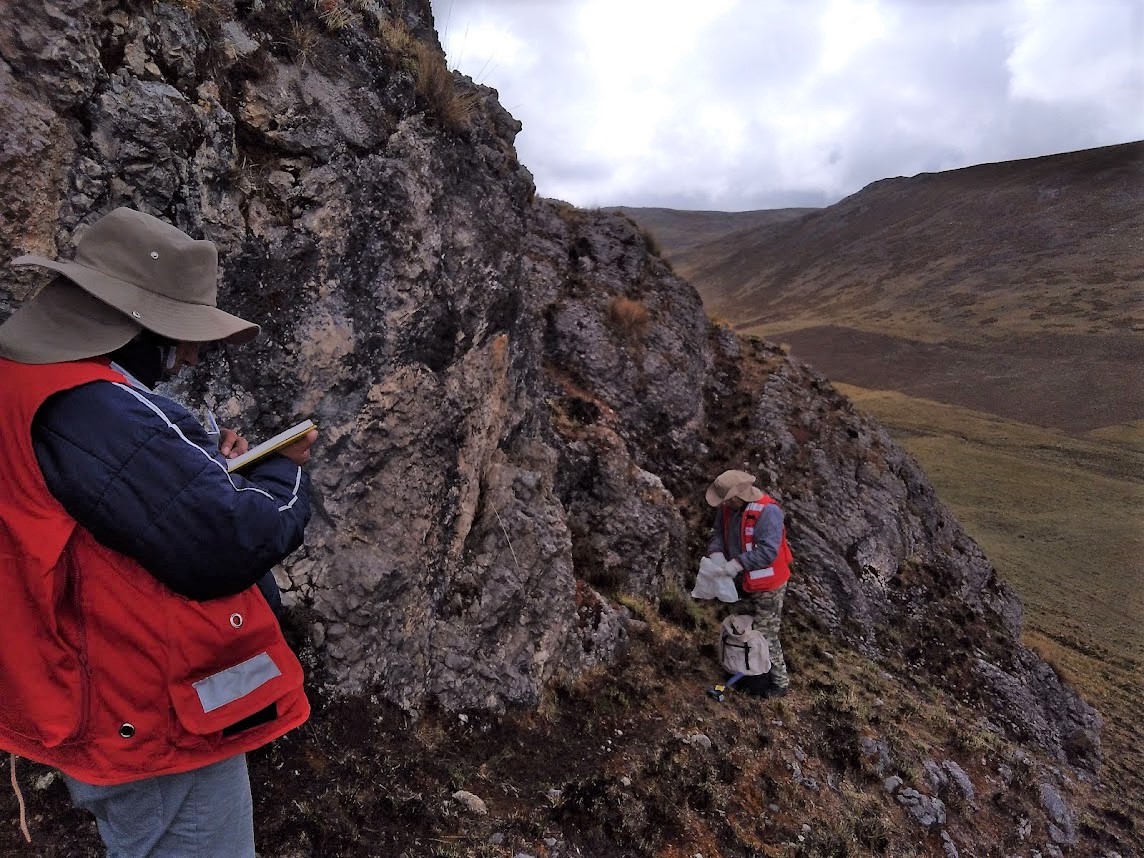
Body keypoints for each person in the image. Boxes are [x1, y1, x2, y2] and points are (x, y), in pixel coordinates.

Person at [0, 207, 318, 855]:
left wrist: (201, 469)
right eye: (182, 336)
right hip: (143, 712)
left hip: (72, 680)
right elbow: (225, 544)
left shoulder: (23, 379)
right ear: (134, 324)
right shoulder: (91, 407)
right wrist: (282, 476)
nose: (190, 357)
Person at [705, 469, 793, 699]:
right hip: (743, 582)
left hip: (769, 585)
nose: (723, 505)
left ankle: (779, 682)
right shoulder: (727, 510)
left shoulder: (768, 512)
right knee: (742, 628)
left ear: (737, 497)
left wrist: (736, 564)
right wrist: (716, 553)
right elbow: (718, 535)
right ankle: (746, 670)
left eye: (726, 500)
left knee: (766, 633)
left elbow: (768, 552)